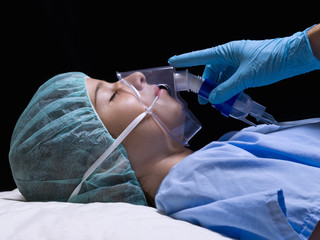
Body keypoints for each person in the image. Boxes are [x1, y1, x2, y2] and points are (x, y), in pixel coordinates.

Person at [9, 24, 320, 240]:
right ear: (103, 161)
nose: (136, 77)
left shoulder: (211, 161)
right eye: (113, 95)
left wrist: (306, 47)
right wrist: (305, 47)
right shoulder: (198, 178)